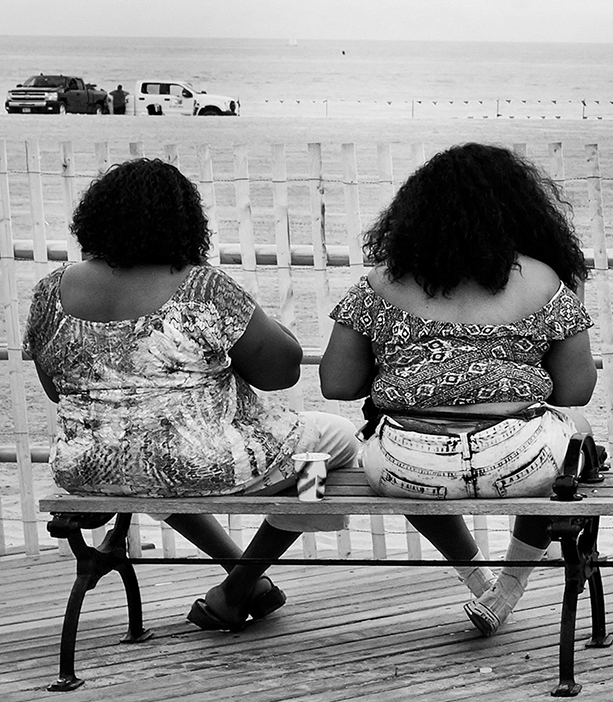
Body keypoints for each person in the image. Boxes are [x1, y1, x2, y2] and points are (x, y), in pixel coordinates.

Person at [23, 157, 361, 631]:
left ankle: (243, 577)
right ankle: (244, 581)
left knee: (159, 457)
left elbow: (55, 389)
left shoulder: (49, 293)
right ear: (183, 224)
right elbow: (281, 373)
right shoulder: (202, 288)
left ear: (95, 219)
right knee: (338, 440)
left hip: (87, 465)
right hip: (197, 465)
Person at [319, 142, 597, 636]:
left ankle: (478, 581)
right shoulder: (543, 279)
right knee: (574, 434)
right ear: (519, 208)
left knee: (411, 454)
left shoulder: (382, 282)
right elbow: (576, 390)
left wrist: (405, 369)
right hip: (517, 462)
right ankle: (508, 587)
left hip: (406, 463)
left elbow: (336, 383)